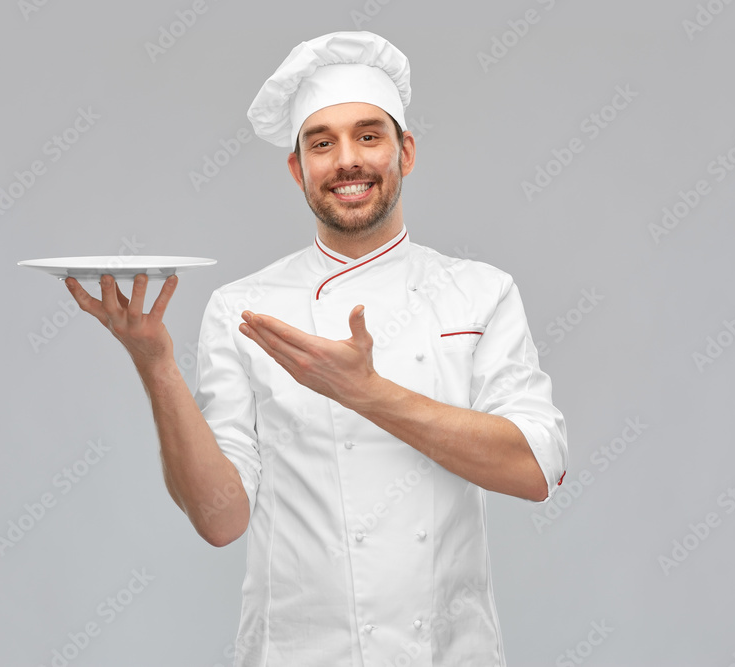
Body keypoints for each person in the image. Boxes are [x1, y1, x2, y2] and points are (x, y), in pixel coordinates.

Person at [65, 30, 567, 667]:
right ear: (297, 168)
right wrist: (156, 364)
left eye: (368, 135)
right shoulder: (245, 308)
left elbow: (535, 469)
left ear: (405, 151)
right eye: (321, 143)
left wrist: (367, 393)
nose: (346, 160)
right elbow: (221, 521)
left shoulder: (479, 293)